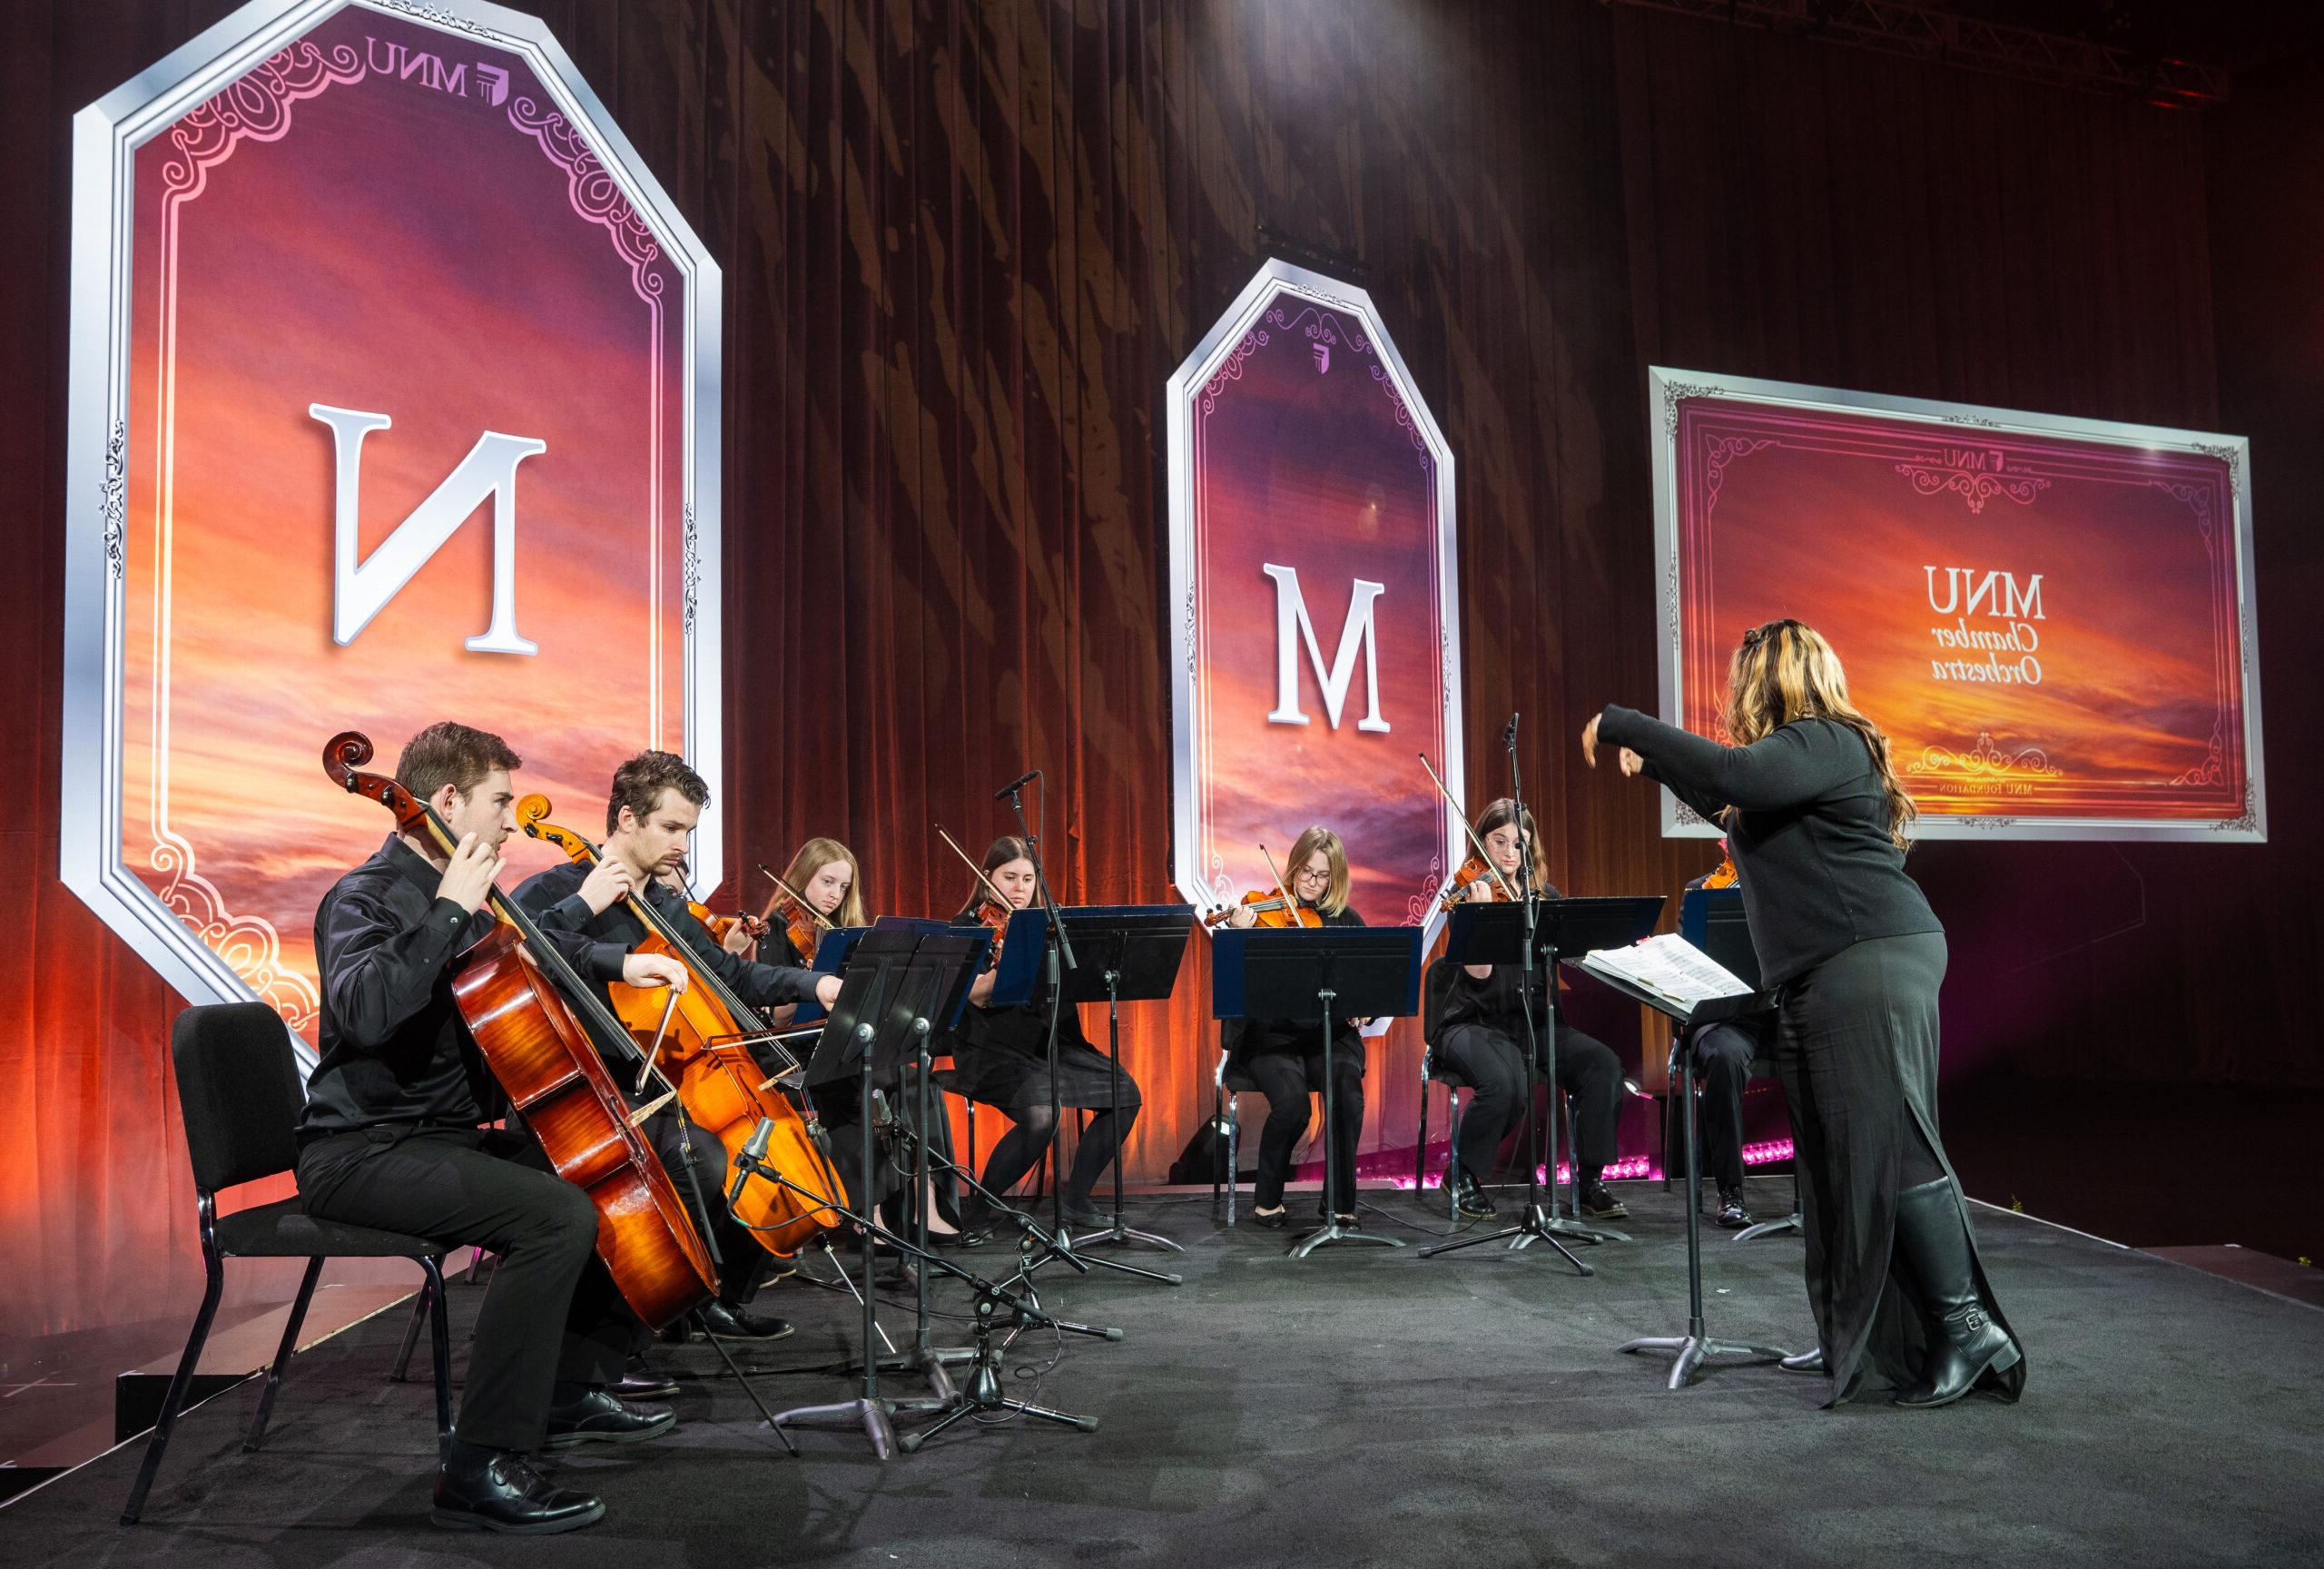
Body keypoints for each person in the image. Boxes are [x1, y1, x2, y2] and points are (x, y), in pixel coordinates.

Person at [1585, 618, 2023, 1408]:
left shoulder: (1827, 739)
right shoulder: (1793, 771)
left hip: (1871, 956)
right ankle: (1861, 1336)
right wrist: (1652, 765)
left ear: (1772, 678)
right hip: (1834, 968)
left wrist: (1625, 724)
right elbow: (1726, 797)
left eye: (1744, 679)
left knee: (1892, 1142)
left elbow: (1732, 774)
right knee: (1835, 1161)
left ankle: (1967, 1327)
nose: (1734, 696)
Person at [297, 721, 694, 1534]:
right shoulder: (365, 895)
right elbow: (366, 1013)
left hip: (437, 1138)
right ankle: (478, 1463)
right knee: (556, 1217)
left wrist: (611, 965)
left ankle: (568, 1389)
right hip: (361, 1149)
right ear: (447, 802)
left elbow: (532, 964)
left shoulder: (468, 899)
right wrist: (447, 912)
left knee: (605, 1168)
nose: (513, 823)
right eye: (500, 803)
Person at [515, 750, 842, 1341]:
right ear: (626, 821)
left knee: (763, 1149)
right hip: (588, 1094)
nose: (682, 846)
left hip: (666, 1083)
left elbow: (730, 975)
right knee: (702, 1158)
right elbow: (518, 958)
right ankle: (630, 1327)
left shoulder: (667, 908)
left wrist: (813, 981)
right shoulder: (554, 891)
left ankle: (712, 1296)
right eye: (671, 828)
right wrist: (587, 906)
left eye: (688, 830)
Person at [1433, 799, 1629, 1222]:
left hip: (1536, 1020)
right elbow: (1480, 974)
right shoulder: (1471, 892)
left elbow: (1570, 960)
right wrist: (1478, 916)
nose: (1508, 854)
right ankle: (1462, 1172)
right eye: (1498, 842)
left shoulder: (1546, 897)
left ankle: (1590, 1179)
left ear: (1530, 848)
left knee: (1604, 1065)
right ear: (1481, 842)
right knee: (1507, 1086)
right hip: (1474, 1021)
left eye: (1518, 845)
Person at [949, 835, 1142, 1232]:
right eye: (1009, 877)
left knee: (1126, 1093)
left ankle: (1076, 1198)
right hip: (989, 1046)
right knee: (1042, 1115)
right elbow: (975, 997)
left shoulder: (1048, 927)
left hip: (1052, 1041)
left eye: (1028, 879)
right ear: (987, 880)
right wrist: (1012, 960)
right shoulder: (967, 929)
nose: (1020, 889)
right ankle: (980, 1208)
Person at [1222, 826, 1371, 1229]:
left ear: (1335, 878)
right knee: (1293, 1106)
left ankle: (1340, 1204)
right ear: (1292, 867)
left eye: (1322, 876)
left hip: (1328, 1033)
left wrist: (1364, 1010)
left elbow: (1369, 987)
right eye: (1305, 871)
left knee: (1347, 1095)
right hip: (1271, 1036)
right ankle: (1268, 1198)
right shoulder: (1264, 913)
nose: (1310, 883)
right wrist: (1239, 937)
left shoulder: (1346, 921)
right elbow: (1235, 986)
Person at [1679, 847, 1775, 1229]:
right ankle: (1730, 1189)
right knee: (1723, 1058)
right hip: (1728, 1017)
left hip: (1781, 1011)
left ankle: (1830, 1187)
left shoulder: (1785, 885)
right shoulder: (1702, 891)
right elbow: (1690, 966)